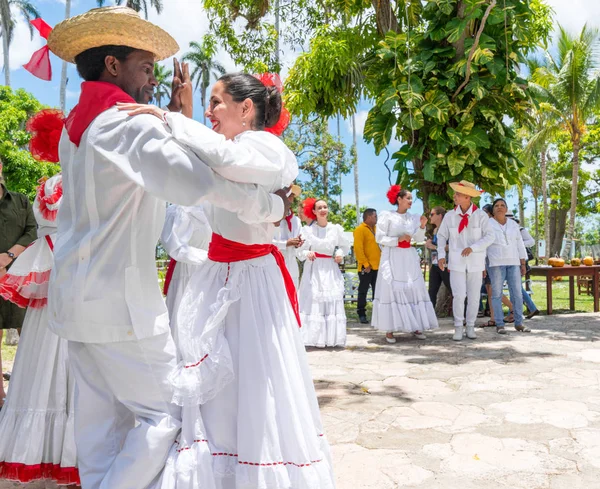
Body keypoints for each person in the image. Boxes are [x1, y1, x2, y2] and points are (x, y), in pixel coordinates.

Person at [46, 8, 289, 489]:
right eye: (145, 67)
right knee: (167, 415)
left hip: (74, 300)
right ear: (113, 66)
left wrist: (174, 119)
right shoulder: (125, 122)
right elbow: (190, 182)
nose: (152, 81)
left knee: (98, 428)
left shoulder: (78, 128)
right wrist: (267, 207)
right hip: (121, 305)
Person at [120, 73, 336, 488]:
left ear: (246, 108)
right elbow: (201, 173)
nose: (209, 110)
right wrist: (177, 118)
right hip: (218, 273)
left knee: (254, 376)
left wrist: (171, 119)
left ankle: (254, 466)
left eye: (217, 102)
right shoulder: (232, 149)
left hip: (250, 280)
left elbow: (221, 163)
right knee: (217, 383)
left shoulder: (265, 146)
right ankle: (218, 463)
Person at [0, 174, 79, 486]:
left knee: (46, 360)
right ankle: (67, 450)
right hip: (71, 275)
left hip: (65, 275)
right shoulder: (63, 185)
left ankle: (46, 447)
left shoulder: (50, 188)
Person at [372, 185, 438, 343]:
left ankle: (416, 325)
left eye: (411, 198)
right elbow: (379, 237)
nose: (410, 201)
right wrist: (397, 240)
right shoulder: (386, 215)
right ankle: (389, 329)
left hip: (408, 256)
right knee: (391, 288)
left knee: (412, 287)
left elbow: (418, 239)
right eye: (408, 198)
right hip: (392, 255)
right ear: (398, 199)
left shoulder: (413, 217)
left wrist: (422, 226)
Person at [0, 160, 37, 409]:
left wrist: (8, 256)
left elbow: (32, 231)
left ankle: (28, 393)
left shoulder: (22, 201)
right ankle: (1, 397)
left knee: (29, 334)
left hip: (21, 277)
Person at [437, 180, 495, 341]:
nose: (454, 196)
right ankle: (457, 326)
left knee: (475, 295)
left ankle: (470, 326)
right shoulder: (450, 216)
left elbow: (490, 236)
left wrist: (474, 247)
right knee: (459, 295)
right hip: (456, 262)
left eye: (458, 194)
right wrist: (441, 255)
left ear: (468, 197)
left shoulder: (481, 215)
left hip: (476, 262)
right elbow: (441, 236)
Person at [298, 198, 350, 348]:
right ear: (313, 211)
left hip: (330, 267)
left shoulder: (335, 229)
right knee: (314, 300)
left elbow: (344, 246)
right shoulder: (307, 230)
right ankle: (314, 337)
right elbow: (299, 251)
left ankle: (331, 338)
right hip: (314, 268)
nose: (323, 210)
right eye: (319, 207)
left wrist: (339, 253)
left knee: (331, 300)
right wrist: (307, 253)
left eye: (325, 207)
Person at [160, 204, 212, 323]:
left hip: (211, 272)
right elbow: (174, 247)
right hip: (188, 272)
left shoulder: (214, 208)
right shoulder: (179, 211)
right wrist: (209, 258)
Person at [487, 198, 530, 333]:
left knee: (517, 293)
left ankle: (519, 323)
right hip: (496, 263)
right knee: (497, 294)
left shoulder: (513, 225)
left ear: (506, 209)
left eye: (502, 205)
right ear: (493, 209)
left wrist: (523, 263)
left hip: (514, 262)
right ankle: (500, 324)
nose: (499, 208)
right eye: (497, 206)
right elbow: (484, 245)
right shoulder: (487, 224)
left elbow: (519, 244)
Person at [273, 184, 303, 288]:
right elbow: (265, 241)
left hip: (292, 265)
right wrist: (285, 243)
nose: (290, 199)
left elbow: (300, 239)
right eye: (289, 195)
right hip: (274, 264)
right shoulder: (271, 217)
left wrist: (299, 243)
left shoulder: (296, 220)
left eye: (292, 196)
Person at [353, 208, 380, 324]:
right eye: (375, 216)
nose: (376, 218)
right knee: (363, 291)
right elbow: (358, 249)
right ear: (368, 217)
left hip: (377, 267)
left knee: (377, 292)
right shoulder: (360, 230)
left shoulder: (376, 229)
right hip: (366, 267)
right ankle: (362, 313)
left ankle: (377, 314)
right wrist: (365, 264)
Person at [425, 206, 452, 309]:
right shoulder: (435, 229)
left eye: (432, 214)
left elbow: (451, 246)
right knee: (432, 290)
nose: (429, 216)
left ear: (440, 215)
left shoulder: (447, 229)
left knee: (453, 289)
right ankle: (429, 316)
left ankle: (464, 314)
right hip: (435, 264)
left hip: (446, 264)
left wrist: (434, 247)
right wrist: (429, 243)